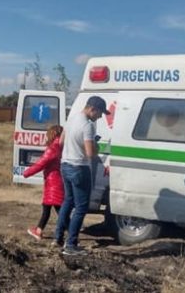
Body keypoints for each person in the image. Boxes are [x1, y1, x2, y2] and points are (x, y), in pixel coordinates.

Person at [54, 96, 109, 255]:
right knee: (81, 208)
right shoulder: (88, 125)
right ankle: (71, 245)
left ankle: (58, 237)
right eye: (100, 113)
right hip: (79, 167)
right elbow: (90, 153)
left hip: (65, 165)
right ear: (93, 109)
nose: (100, 117)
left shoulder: (71, 119)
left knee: (68, 201)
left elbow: (60, 143)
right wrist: (97, 146)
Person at [24, 125, 64, 240]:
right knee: (48, 207)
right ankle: (38, 230)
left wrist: (27, 173)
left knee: (59, 210)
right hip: (57, 181)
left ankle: (72, 234)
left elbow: (41, 163)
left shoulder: (53, 148)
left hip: (53, 182)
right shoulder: (61, 146)